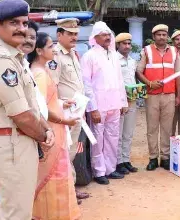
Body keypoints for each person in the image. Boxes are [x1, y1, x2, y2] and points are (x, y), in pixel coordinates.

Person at [0, 0, 55, 220]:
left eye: (24, 23)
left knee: (12, 210)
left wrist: (45, 129)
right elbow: (21, 115)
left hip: (17, 142)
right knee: (16, 214)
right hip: (10, 145)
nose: (21, 29)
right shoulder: (0, 60)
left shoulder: (14, 56)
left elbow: (30, 104)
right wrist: (44, 135)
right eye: (14, 23)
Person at [28, 32, 81, 220]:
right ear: (39, 50)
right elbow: (40, 110)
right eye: (51, 47)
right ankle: (50, 214)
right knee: (52, 173)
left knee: (58, 172)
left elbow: (48, 102)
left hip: (54, 127)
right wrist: (64, 121)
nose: (54, 50)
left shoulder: (42, 70)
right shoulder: (39, 74)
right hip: (50, 129)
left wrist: (62, 104)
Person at [48, 18, 90, 201]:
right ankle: (66, 191)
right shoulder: (55, 55)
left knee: (71, 151)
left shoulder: (73, 54)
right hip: (65, 111)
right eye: (70, 34)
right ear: (59, 35)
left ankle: (70, 187)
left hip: (77, 109)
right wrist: (58, 110)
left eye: (76, 34)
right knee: (64, 151)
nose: (74, 37)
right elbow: (52, 86)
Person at [82, 21, 128, 185]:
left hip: (114, 104)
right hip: (98, 106)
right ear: (95, 37)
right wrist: (92, 108)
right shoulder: (89, 56)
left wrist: (123, 102)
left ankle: (110, 169)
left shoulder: (114, 55)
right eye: (103, 34)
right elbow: (86, 84)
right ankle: (99, 171)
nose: (107, 37)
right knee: (98, 139)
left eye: (108, 34)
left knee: (112, 138)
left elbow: (120, 80)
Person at [136, 24, 179, 171]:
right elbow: (138, 71)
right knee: (152, 128)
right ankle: (153, 158)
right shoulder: (147, 51)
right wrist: (149, 83)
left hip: (169, 95)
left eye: (164, 35)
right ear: (154, 37)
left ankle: (165, 158)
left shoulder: (174, 51)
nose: (162, 37)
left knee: (167, 128)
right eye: (159, 35)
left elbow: (178, 75)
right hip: (152, 95)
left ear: (167, 37)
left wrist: (178, 95)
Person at [115, 32, 139, 175]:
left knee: (128, 133)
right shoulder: (114, 60)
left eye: (129, 43)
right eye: (124, 43)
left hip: (132, 100)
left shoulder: (132, 61)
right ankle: (118, 162)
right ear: (118, 45)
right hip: (119, 102)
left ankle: (126, 159)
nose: (127, 46)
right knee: (118, 134)